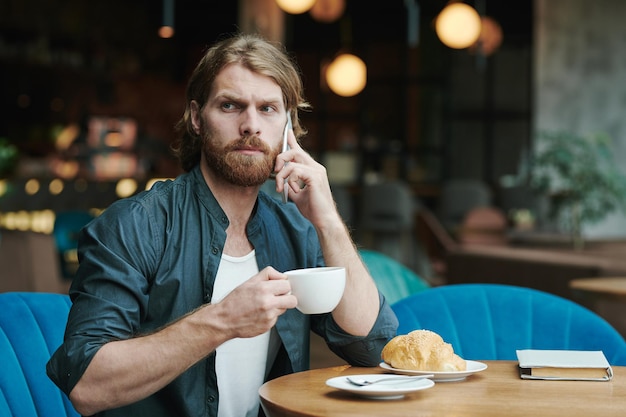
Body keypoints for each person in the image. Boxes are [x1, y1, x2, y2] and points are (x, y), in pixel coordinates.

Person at [47, 32, 398, 417]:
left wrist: (327, 218)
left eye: (267, 109)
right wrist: (223, 320)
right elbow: (87, 385)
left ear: (287, 126)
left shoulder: (295, 229)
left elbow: (371, 345)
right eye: (231, 106)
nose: (250, 125)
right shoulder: (136, 225)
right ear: (197, 118)